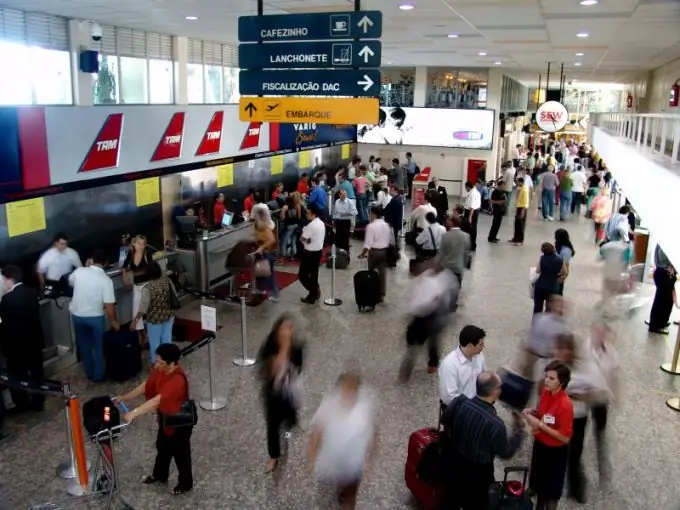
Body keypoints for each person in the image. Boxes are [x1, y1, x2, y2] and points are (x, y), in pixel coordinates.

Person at [440, 371, 525, 510]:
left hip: (455, 462)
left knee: (451, 498)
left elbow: (444, 420)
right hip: (479, 475)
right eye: (500, 387)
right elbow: (506, 452)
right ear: (494, 392)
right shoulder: (495, 424)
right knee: (476, 504)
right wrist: (518, 430)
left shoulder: (460, 402)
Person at [116, 343, 193, 496]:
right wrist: (125, 397)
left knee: (181, 454)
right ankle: (160, 475)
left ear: (171, 363)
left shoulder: (177, 380)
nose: (156, 365)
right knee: (162, 448)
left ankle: (185, 484)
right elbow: (147, 385)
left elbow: (156, 401)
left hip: (179, 424)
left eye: (159, 362)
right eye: (156, 361)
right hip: (166, 420)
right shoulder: (161, 370)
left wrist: (133, 413)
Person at [308, 371, 377, 510]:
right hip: (334, 459)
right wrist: (311, 456)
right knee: (341, 480)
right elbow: (317, 432)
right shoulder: (328, 406)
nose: (349, 392)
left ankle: (346, 496)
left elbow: (373, 432)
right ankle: (342, 488)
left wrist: (371, 456)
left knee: (350, 495)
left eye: (353, 388)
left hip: (354, 463)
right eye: (346, 388)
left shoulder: (364, 408)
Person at [523, 360, 574, 510]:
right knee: (539, 485)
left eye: (551, 378)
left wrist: (540, 425)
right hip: (540, 446)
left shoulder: (565, 405)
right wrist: (532, 411)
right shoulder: (546, 392)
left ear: (562, 382)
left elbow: (564, 437)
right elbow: (543, 413)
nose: (546, 380)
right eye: (546, 376)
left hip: (555, 453)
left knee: (551, 491)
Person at [257, 313, 304, 473]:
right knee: (272, 425)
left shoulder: (297, 348)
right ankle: (273, 455)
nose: (288, 332)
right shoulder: (270, 347)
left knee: (289, 416)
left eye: (290, 329)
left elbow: (297, 369)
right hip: (273, 392)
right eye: (284, 328)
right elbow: (268, 373)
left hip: (289, 390)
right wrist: (283, 350)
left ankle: (288, 424)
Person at [400, 263, 458, 379]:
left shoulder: (441, 280)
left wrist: (414, 308)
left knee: (431, 340)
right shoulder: (428, 277)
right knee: (431, 340)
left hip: (433, 316)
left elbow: (430, 302)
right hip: (428, 316)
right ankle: (429, 361)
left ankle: (430, 362)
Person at [0, 265, 45, 412]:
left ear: (9, 279)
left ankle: (22, 403)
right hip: (34, 341)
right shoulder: (31, 292)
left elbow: (5, 323)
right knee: (37, 372)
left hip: (16, 346)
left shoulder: (7, 299)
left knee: (18, 375)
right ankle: (39, 401)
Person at [69, 249, 119, 382]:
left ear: (90, 259)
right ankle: (98, 376)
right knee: (98, 346)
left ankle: (89, 373)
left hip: (77, 315)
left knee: (84, 345)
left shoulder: (79, 272)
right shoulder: (105, 280)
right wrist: (114, 321)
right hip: (95, 317)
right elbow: (109, 305)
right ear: (106, 263)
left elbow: (71, 282)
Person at [133, 262, 179, 365]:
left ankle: (156, 363)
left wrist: (135, 320)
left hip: (154, 319)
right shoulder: (167, 281)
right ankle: (168, 361)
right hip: (168, 315)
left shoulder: (148, 288)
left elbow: (143, 308)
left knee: (155, 342)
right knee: (166, 339)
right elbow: (175, 295)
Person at [438, 325, 487, 407]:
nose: (483, 347)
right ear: (470, 345)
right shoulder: (450, 365)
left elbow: (483, 376)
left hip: (476, 404)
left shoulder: (479, 356)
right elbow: (449, 397)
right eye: (481, 344)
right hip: (459, 409)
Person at [524, 295, 568, 381]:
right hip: (539, 358)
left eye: (563, 306)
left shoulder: (563, 324)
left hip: (550, 359)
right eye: (559, 305)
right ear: (551, 305)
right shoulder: (541, 320)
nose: (561, 308)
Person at [123, 235, 154, 343]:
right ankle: (143, 335)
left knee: (148, 309)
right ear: (134, 243)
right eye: (139, 243)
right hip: (137, 286)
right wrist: (125, 278)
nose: (141, 246)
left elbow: (149, 270)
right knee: (136, 312)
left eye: (143, 244)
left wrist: (132, 272)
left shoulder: (147, 255)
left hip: (147, 284)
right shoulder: (131, 254)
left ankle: (151, 333)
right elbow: (124, 267)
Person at [359, 207, 392, 302]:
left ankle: (371, 292)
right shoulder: (387, 225)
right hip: (384, 251)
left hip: (374, 252)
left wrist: (362, 254)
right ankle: (381, 294)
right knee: (382, 273)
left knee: (371, 273)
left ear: (374, 214)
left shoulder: (371, 226)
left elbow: (368, 243)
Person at [646, 245, 676, 334]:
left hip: (664, 273)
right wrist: (670, 267)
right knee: (662, 302)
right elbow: (663, 261)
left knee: (666, 301)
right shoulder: (665, 242)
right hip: (664, 273)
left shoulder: (665, 240)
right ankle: (656, 326)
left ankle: (661, 323)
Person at [298, 206, 325, 304]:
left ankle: (313, 291)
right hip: (318, 251)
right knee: (314, 274)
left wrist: (304, 237)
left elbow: (302, 238)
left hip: (309, 253)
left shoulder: (311, 226)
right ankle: (314, 290)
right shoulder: (321, 223)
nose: (306, 215)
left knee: (302, 275)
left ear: (313, 214)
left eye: (308, 213)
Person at [253, 205, 280, 302]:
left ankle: (275, 293)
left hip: (268, 252)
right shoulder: (261, 224)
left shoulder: (264, 226)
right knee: (262, 273)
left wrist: (261, 247)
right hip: (265, 252)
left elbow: (271, 240)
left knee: (269, 274)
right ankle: (261, 290)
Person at [438, 213, 471, 285]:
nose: (446, 221)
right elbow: (466, 253)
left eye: (448, 220)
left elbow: (441, 253)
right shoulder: (466, 236)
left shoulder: (445, 235)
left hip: (447, 267)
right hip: (458, 267)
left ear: (451, 223)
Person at [533, 243, 565, 315]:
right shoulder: (560, 260)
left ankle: (536, 323)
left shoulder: (542, 258)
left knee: (538, 307)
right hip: (553, 286)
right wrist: (559, 280)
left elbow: (538, 270)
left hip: (541, 286)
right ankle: (547, 322)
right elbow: (565, 272)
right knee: (550, 308)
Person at [279, 192, 304, 260]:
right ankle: (292, 256)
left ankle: (282, 257)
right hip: (296, 225)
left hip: (288, 226)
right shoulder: (298, 205)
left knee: (284, 241)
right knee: (293, 241)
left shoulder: (285, 207)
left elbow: (282, 218)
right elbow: (299, 217)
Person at [333, 189, 358, 254]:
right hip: (338, 222)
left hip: (346, 222)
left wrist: (346, 213)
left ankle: (346, 252)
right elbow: (335, 213)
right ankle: (338, 252)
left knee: (345, 238)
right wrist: (334, 221)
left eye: (345, 194)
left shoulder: (350, 202)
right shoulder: (337, 202)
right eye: (343, 195)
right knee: (338, 237)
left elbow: (355, 212)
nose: (344, 196)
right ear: (339, 195)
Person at [509, 177, 529, 246]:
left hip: (522, 208)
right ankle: (515, 238)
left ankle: (520, 240)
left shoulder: (525, 190)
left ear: (521, 182)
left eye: (517, 182)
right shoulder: (521, 188)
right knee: (517, 224)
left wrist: (523, 211)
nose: (516, 183)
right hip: (519, 207)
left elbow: (525, 201)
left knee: (521, 225)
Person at [554, 229, 575, 295]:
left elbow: (566, 268)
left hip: (559, 276)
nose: (554, 238)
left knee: (557, 295)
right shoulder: (558, 246)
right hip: (554, 273)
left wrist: (559, 281)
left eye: (556, 236)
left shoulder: (566, 251)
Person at [463, 181, 481, 251]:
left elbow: (472, 206)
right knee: (472, 229)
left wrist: (470, 217)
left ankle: (471, 245)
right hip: (473, 212)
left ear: (467, 187)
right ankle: (471, 244)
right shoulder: (475, 192)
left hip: (471, 213)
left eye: (466, 188)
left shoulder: (473, 194)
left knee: (471, 229)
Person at [487, 179, 506, 243]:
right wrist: (499, 202)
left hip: (501, 211)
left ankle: (494, 236)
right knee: (495, 224)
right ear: (499, 185)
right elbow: (492, 201)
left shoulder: (503, 192)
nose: (504, 187)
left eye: (504, 186)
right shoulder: (495, 192)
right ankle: (491, 237)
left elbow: (504, 201)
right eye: (503, 185)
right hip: (496, 211)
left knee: (498, 225)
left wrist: (501, 202)